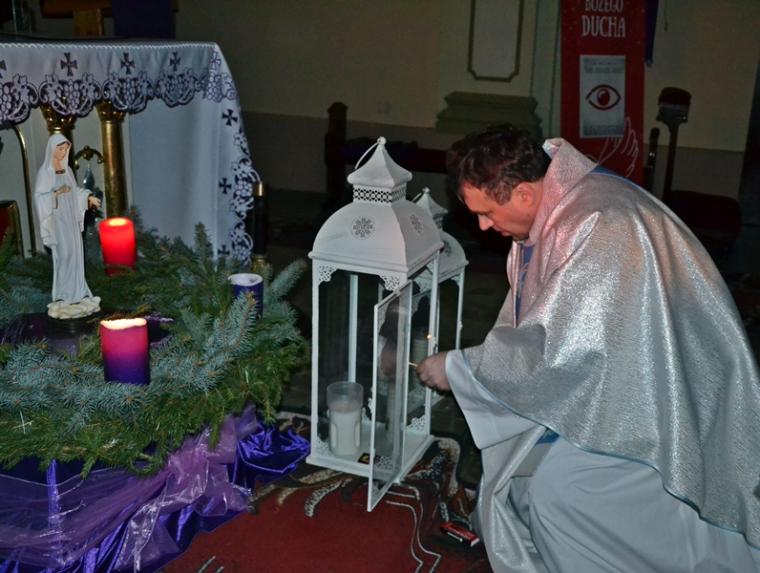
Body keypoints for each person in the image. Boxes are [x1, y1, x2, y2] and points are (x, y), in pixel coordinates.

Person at [416, 127, 760, 572]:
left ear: (523, 193)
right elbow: (557, 330)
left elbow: (560, 350)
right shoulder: (565, 208)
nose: (482, 226)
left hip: (668, 402)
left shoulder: (598, 224)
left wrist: (461, 369)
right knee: (518, 479)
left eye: (486, 212)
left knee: (560, 495)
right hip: (632, 376)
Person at [34, 134, 101, 319]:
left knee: (75, 255)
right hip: (57, 221)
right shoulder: (45, 173)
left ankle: (78, 294)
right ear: (52, 149)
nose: (63, 152)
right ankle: (63, 295)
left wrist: (88, 197)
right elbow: (39, 198)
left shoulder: (68, 170)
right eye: (60, 149)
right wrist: (56, 193)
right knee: (64, 255)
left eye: (65, 149)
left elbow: (75, 191)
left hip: (70, 219)